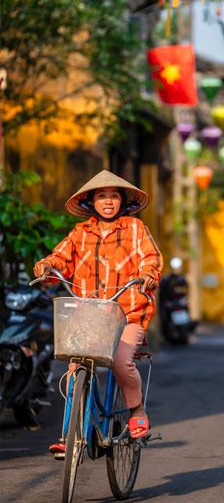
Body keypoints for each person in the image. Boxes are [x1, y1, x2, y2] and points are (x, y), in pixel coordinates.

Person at [33, 170, 163, 457]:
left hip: (129, 312)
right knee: (74, 368)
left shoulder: (135, 229)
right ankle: (68, 436)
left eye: (114, 196)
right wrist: (46, 267)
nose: (108, 202)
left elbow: (151, 259)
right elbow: (60, 258)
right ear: (91, 202)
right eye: (101, 196)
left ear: (122, 201)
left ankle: (136, 408)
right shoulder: (80, 233)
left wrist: (148, 275)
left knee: (120, 360)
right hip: (88, 314)